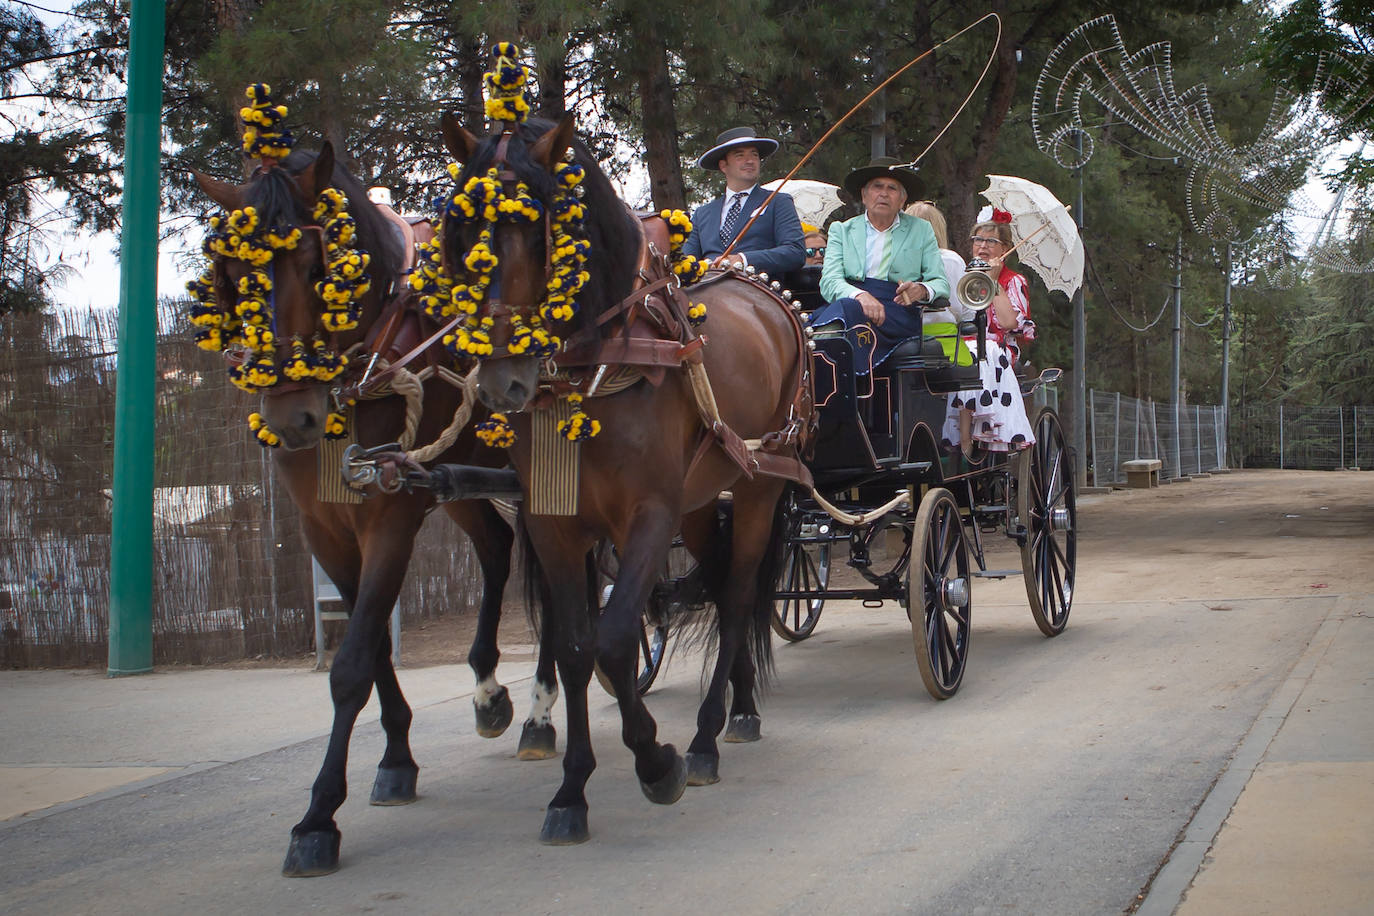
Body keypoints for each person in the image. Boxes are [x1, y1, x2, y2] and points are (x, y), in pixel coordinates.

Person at [809, 157, 950, 372]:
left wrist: (921, 289)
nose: (883, 193)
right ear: (864, 196)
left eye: (892, 188)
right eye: (877, 186)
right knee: (844, 309)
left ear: (903, 200)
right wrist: (859, 296)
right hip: (852, 306)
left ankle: (820, 363)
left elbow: (941, 282)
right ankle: (831, 386)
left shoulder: (921, 230)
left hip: (897, 312)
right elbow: (829, 281)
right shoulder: (841, 230)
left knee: (835, 317)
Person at [939, 208, 1037, 461]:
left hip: (998, 347)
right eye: (978, 240)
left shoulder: (1013, 280)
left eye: (991, 242)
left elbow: (1007, 323)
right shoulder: (962, 274)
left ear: (1005, 247)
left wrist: (993, 282)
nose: (983, 246)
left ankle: (964, 441)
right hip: (963, 339)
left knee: (979, 353)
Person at [681, 127, 806, 276]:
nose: (750, 161)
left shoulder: (778, 201)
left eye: (754, 155)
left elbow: (795, 252)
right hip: (707, 290)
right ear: (723, 166)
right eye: (740, 155)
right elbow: (686, 262)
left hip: (758, 291)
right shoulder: (702, 213)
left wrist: (743, 259)